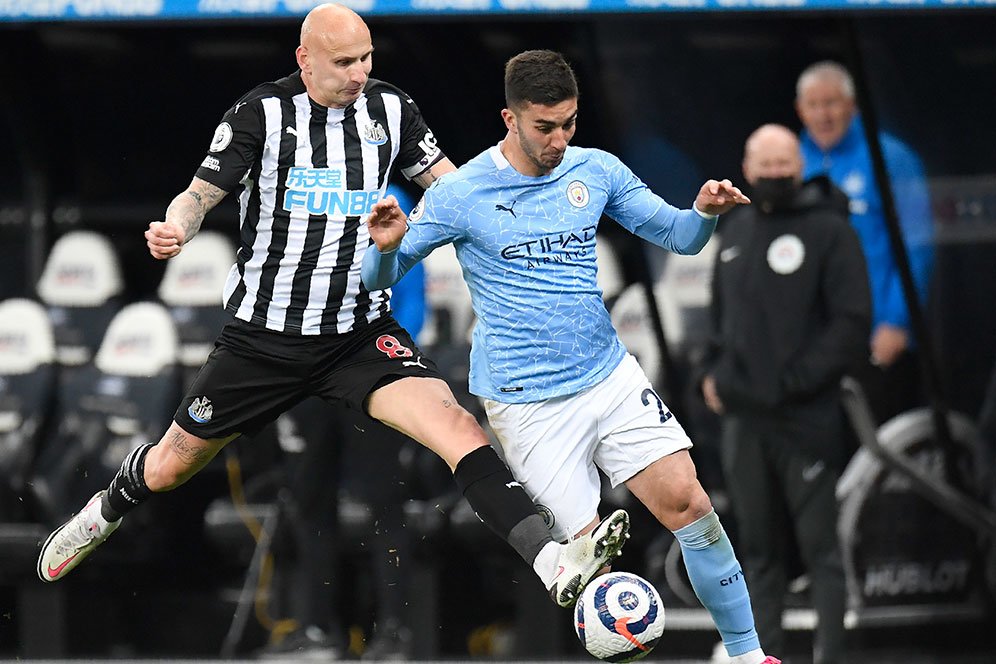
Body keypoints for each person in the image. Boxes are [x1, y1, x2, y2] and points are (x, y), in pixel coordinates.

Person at [36, 5, 630, 616]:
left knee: (457, 428)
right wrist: (176, 227)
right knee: (168, 469)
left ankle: (551, 560)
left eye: (366, 59)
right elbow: (200, 192)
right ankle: (102, 512)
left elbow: (454, 189)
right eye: (343, 62)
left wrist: (524, 215)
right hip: (265, 339)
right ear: (305, 59)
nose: (358, 73)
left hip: (358, 334)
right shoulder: (261, 114)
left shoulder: (392, 110)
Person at [362, 49, 780, 664]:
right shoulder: (461, 193)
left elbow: (679, 238)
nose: (559, 140)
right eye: (545, 127)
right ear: (509, 118)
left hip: (606, 377)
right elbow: (381, 275)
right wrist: (386, 248)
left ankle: (748, 656)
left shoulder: (596, 170)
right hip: (527, 406)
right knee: (588, 568)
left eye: (569, 124)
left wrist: (704, 214)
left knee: (690, 503)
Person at [699, 124, 871, 664]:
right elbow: (720, 316)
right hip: (745, 422)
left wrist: (795, 385)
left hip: (806, 419)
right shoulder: (737, 227)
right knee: (755, 551)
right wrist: (712, 373)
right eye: (764, 166)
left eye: (784, 165)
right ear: (746, 169)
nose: (774, 175)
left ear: (800, 167)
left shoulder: (830, 230)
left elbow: (850, 322)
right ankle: (761, 657)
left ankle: (833, 655)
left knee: (821, 549)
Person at [795, 60, 934, 426]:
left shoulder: (890, 157)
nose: (823, 115)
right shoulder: (791, 160)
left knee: (885, 445)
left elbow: (917, 246)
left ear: (852, 106)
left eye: (832, 103)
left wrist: (897, 322)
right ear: (800, 110)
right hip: (814, 344)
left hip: (877, 337)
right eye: (814, 105)